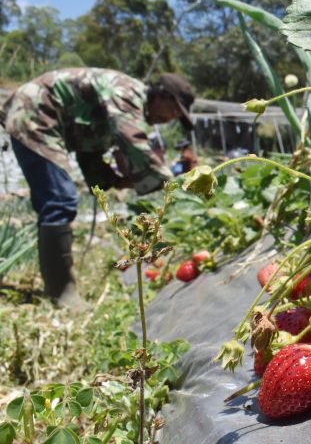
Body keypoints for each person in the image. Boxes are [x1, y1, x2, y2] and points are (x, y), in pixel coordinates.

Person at [0, 68, 195, 308]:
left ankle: (59, 289)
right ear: (161, 95)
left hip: (44, 119)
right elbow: (131, 139)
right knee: (59, 200)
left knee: (56, 201)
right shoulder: (127, 93)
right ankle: (61, 293)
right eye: (174, 109)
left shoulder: (125, 106)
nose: (172, 118)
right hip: (36, 114)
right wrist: (176, 181)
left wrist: (112, 180)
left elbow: (89, 151)